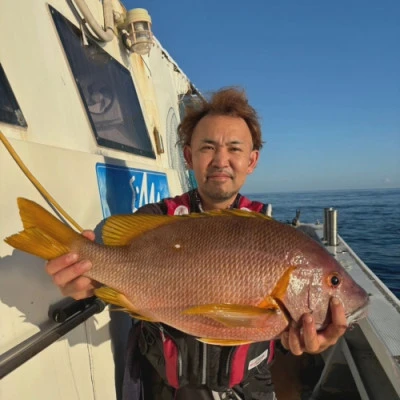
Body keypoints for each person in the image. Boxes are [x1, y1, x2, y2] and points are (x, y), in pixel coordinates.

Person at [46, 88, 347, 399]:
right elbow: (107, 277)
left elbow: (276, 333)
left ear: (252, 160)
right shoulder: (155, 218)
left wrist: (305, 340)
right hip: (163, 389)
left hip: (249, 390)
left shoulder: (273, 234)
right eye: (208, 147)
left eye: (234, 148)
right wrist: (84, 280)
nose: (221, 160)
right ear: (189, 156)